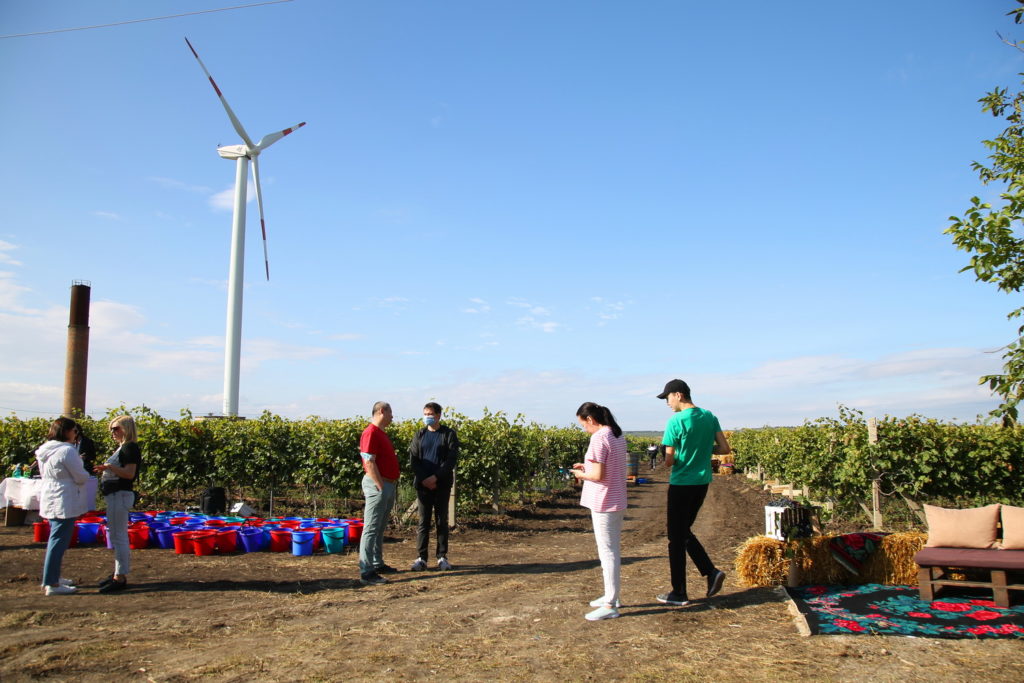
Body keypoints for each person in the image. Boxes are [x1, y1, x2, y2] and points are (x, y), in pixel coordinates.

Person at [655, 379, 730, 607]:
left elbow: (669, 461)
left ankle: (681, 591)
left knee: (675, 538)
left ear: (678, 395)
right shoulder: (709, 416)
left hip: (681, 483)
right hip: (702, 482)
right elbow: (724, 449)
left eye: (667, 398)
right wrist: (704, 450)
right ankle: (708, 573)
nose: (667, 403)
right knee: (683, 532)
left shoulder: (675, 421)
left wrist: (673, 456)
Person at [571, 402, 628, 621]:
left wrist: (579, 474)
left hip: (603, 501)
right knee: (611, 549)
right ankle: (611, 595)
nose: (584, 429)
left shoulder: (598, 438)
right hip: (617, 498)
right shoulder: (616, 435)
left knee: (607, 551)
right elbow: (608, 468)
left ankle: (610, 603)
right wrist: (586, 468)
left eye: (583, 424)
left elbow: (598, 477)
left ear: (590, 420)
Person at [36, 417, 90, 595]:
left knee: (56, 538)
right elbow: (80, 476)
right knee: (58, 541)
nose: (76, 435)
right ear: (66, 432)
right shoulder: (67, 450)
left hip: (50, 495)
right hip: (63, 498)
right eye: (75, 431)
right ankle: (51, 583)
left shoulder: (45, 450)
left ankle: (53, 577)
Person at [409, 402, 459, 571]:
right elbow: (414, 459)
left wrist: (436, 477)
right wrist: (424, 479)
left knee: (441, 520)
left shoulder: (448, 434)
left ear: (438, 415)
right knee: (423, 521)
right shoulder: (420, 435)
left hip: (442, 485)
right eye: (425, 413)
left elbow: (451, 460)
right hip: (423, 486)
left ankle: (442, 556)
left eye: (430, 414)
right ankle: (421, 557)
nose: (427, 417)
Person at [94, 415, 142, 594]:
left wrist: (109, 468)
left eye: (116, 428)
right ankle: (118, 572)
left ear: (127, 429)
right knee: (115, 535)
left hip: (120, 494)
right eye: (111, 429)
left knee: (119, 536)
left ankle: (120, 576)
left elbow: (129, 474)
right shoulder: (122, 447)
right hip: (114, 495)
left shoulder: (130, 448)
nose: (113, 432)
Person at [358, 401, 400, 586]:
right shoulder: (370, 433)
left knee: (380, 527)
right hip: (378, 484)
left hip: (386, 484)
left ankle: (377, 563)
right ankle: (367, 571)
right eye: (390, 412)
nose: (392, 416)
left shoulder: (380, 433)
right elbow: (369, 462)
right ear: (382, 411)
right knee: (371, 528)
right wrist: (380, 486)